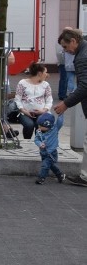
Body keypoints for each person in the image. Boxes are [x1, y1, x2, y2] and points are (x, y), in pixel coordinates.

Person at [53, 28, 87, 187]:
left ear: (74, 41)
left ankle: (85, 177)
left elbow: (84, 86)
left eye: (66, 47)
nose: (66, 51)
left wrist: (66, 104)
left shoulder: (82, 57)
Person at [14, 62, 53, 139]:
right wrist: (24, 111)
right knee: (29, 125)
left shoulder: (46, 85)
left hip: (42, 112)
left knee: (41, 124)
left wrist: (43, 110)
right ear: (39, 73)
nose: (47, 74)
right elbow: (17, 99)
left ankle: (39, 142)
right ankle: (27, 141)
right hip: (24, 112)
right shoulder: (22, 83)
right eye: (45, 72)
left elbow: (49, 100)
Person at [33, 113, 65, 185]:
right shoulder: (39, 131)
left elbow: (60, 122)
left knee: (45, 165)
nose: (39, 127)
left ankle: (41, 178)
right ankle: (60, 175)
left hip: (52, 152)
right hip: (43, 152)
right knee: (51, 166)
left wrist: (61, 113)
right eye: (38, 125)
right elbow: (36, 139)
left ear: (48, 125)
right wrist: (40, 144)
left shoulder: (54, 129)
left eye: (41, 126)